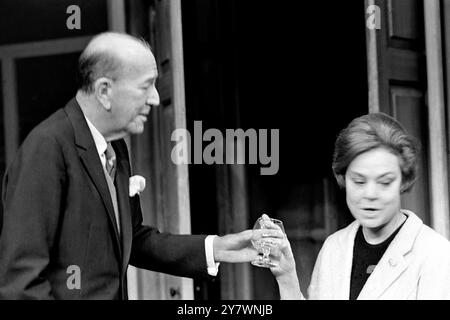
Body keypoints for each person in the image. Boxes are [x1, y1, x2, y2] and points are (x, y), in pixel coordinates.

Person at [0, 32, 259, 299]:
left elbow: (132, 240)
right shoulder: (47, 147)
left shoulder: (116, 146)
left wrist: (217, 248)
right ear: (104, 91)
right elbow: (21, 284)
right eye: (145, 86)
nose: (156, 98)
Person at [264, 112, 450, 299]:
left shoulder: (435, 253)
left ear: (404, 181)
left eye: (385, 182)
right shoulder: (333, 248)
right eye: (359, 182)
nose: (370, 194)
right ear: (344, 179)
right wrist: (286, 277)